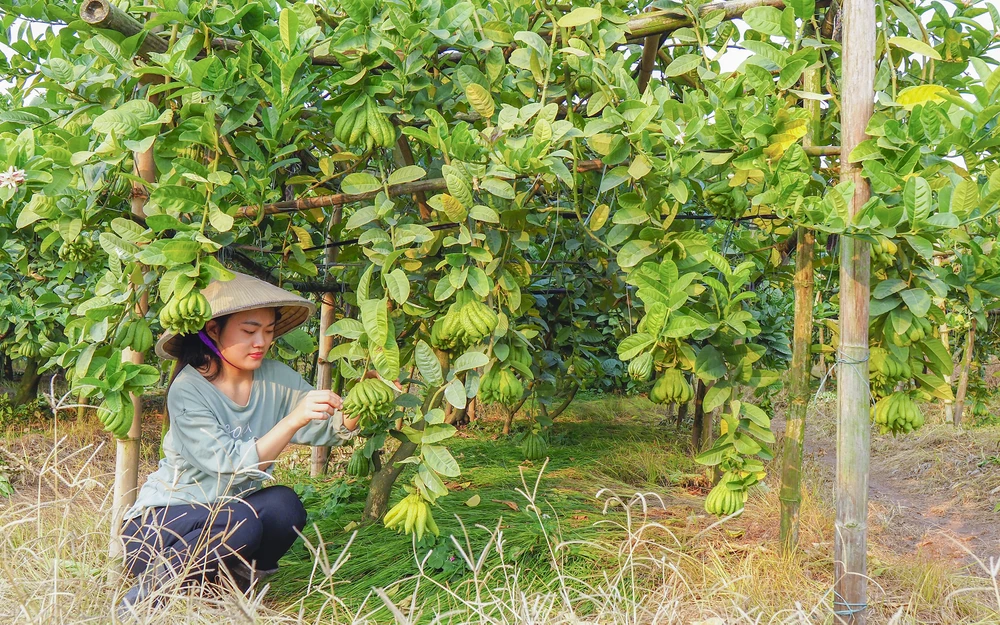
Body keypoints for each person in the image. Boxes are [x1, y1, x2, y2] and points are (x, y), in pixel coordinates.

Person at [118, 272, 359, 615]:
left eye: (268, 331)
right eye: (248, 331)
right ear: (214, 330)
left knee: (284, 507)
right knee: (243, 521)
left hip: (225, 521)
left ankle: (224, 588)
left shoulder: (274, 378)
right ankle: (153, 588)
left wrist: (362, 403)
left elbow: (325, 427)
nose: (260, 341)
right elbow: (231, 466)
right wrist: (292, 420)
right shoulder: (189, 389)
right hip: (161, 530)